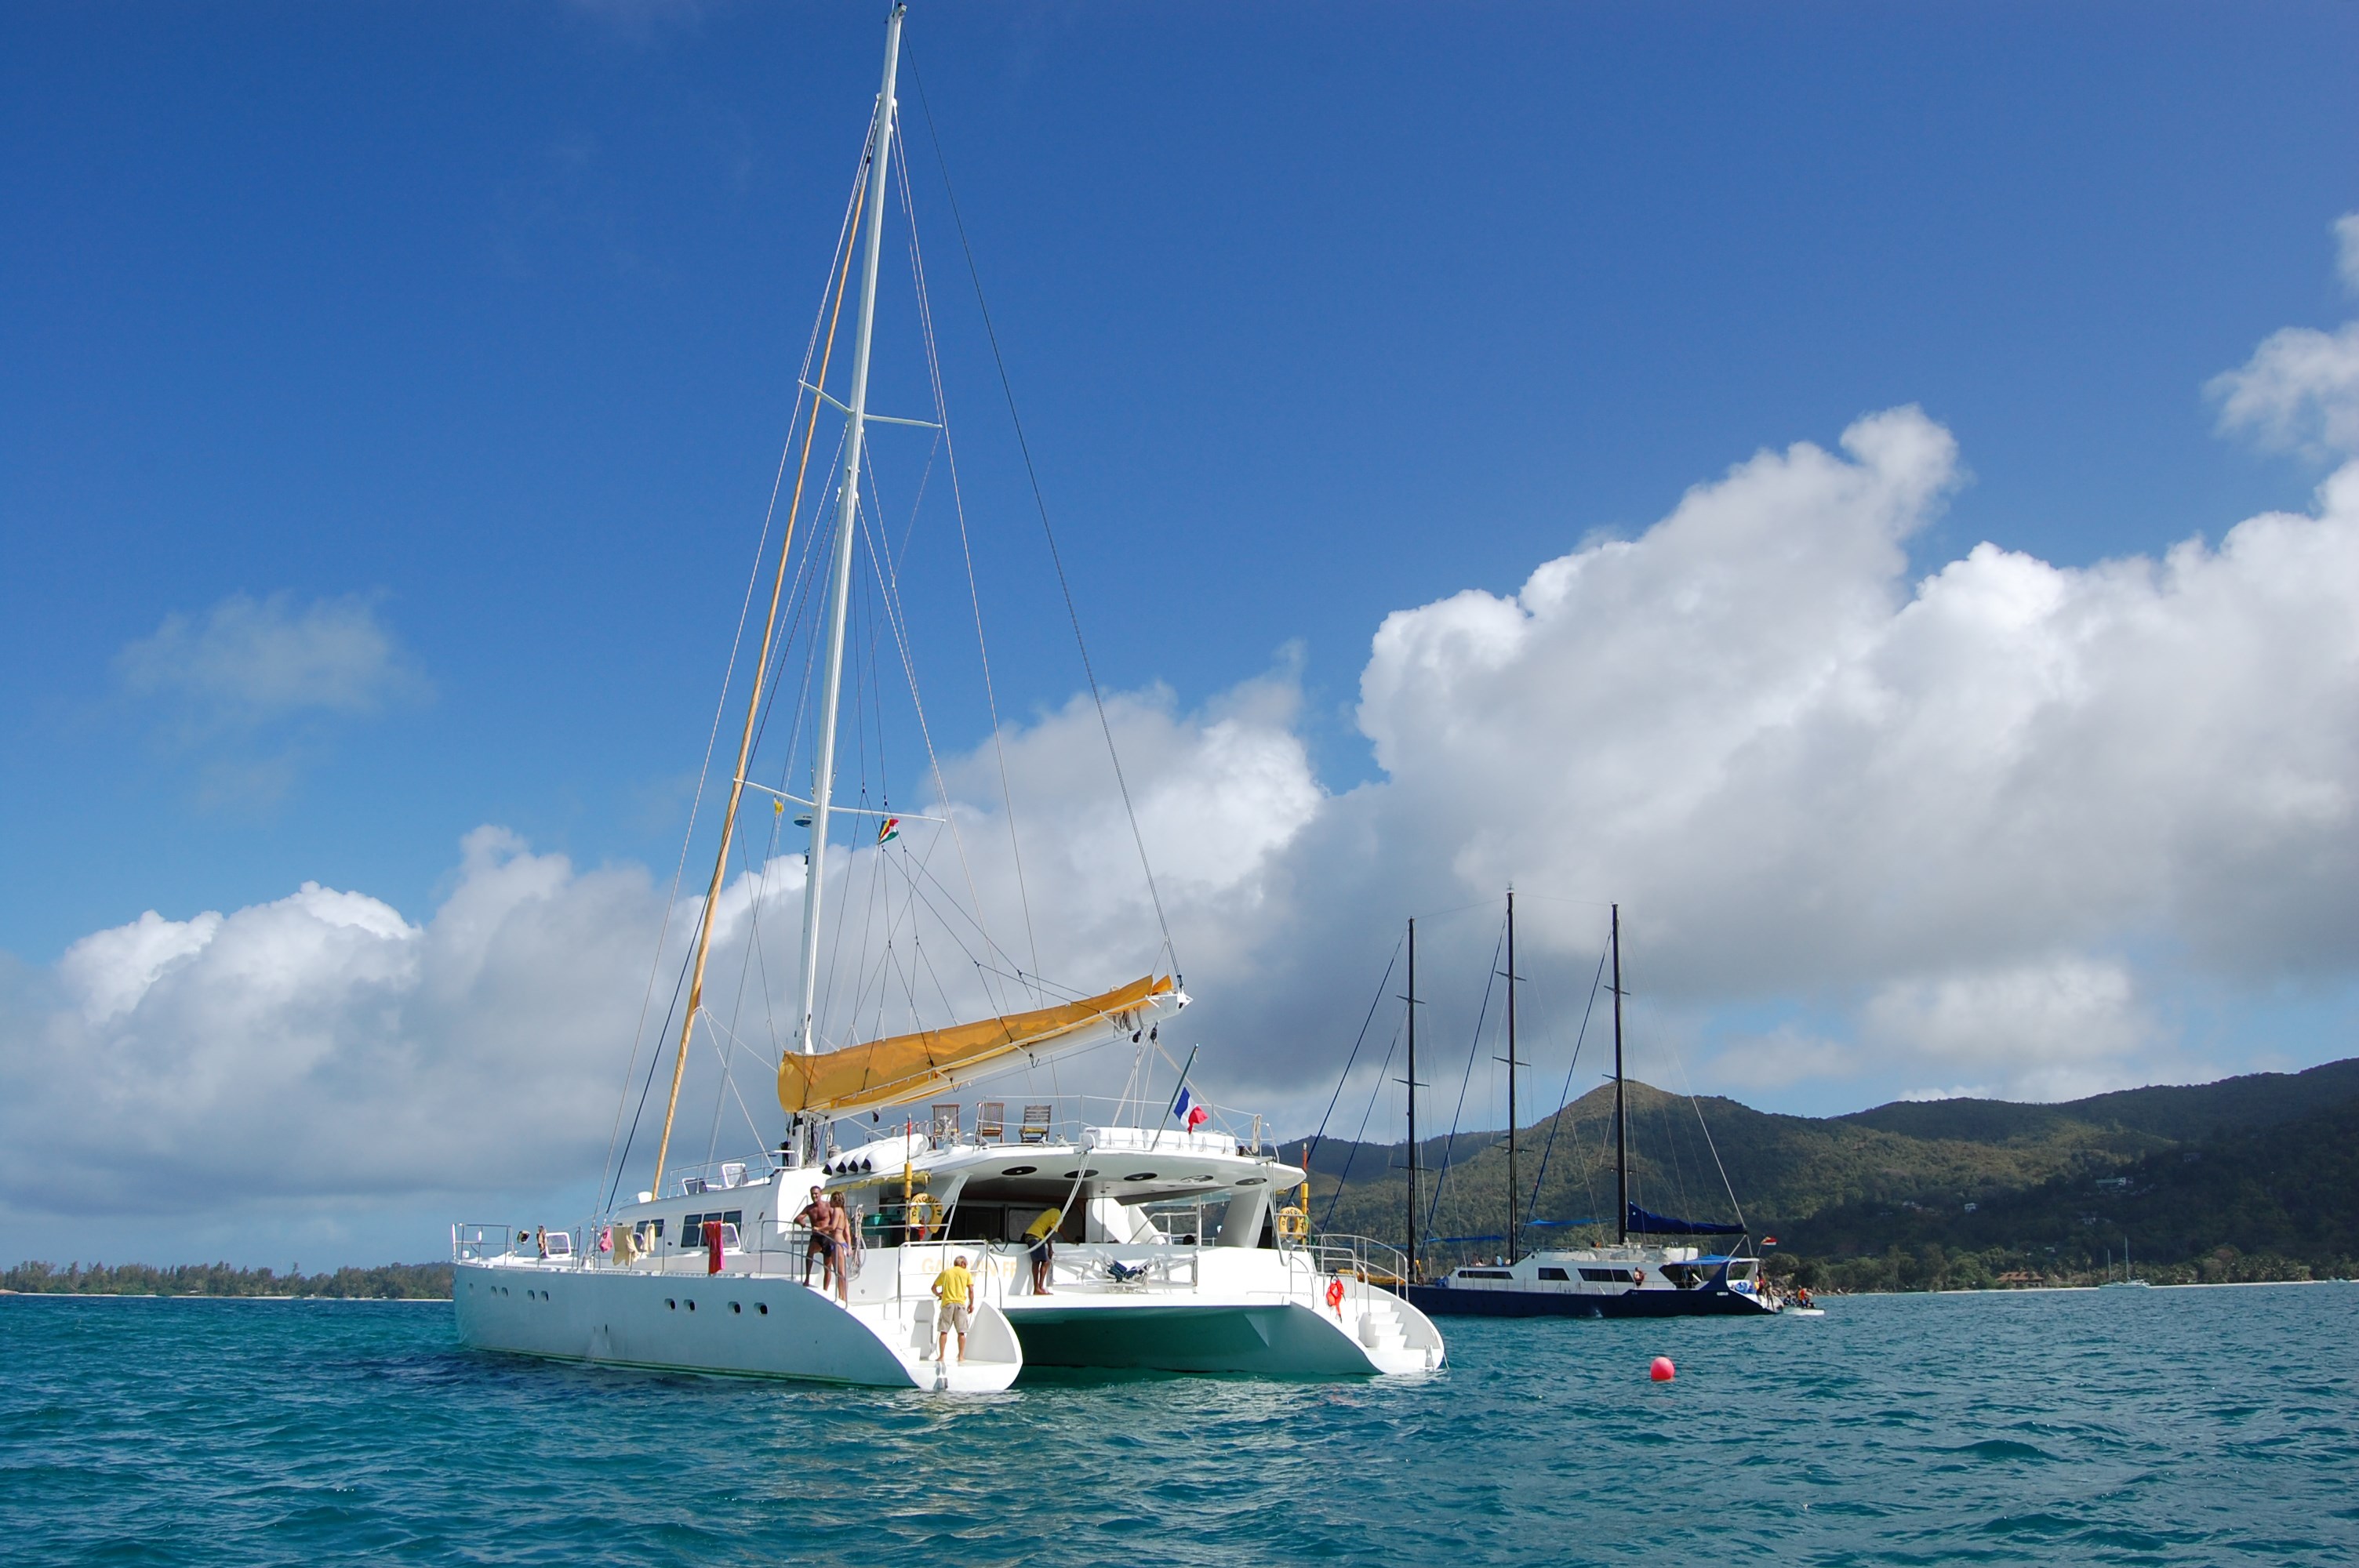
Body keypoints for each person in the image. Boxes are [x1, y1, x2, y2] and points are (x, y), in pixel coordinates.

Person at [932, 1253, 975, 1363]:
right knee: (961, 1332)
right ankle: (961, 1356)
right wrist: (971, 1304)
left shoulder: (946, 1272)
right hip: (960, 1305)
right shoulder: (966, 1274)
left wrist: (939, 1295)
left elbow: (934, 1287)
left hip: (947, 1304)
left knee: (944, 1331)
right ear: (964, 1263)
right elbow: (971, 1290)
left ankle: (941, 1356)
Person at [795, 1185, 836, 1290]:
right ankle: (807, 1278)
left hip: (827, 1237)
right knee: (810, 1252)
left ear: (820, 1193)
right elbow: (798, 1218)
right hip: (816, 1238)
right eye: (812, 1194)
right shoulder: (809, 1208)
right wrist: (801, 1222)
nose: (814, 1196)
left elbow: (834, 1222)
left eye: (816, 1193)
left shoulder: (828, 1206)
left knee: (827, 1265)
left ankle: (825, 1289)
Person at [1023, 1207, 1062, 1295]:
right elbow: (1049, 1233)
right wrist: (1050, 1249)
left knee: (1041, 1261)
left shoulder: (1053, 1211)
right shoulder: (1059, 1216)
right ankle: (1038, 1288)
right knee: (1044, 1262)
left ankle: (1039, 1288)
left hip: (1032, 1235)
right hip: (1036, 1236)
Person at [827, 1193, 856, 1305]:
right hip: (843, 1243)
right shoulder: (844, 1214)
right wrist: (849, 1246)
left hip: (837, 1244)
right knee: (841, 1272)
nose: (830, 1202)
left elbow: (833, 1227)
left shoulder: (837, 1210)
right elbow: (847, 1233)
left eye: (831, 1200)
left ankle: (842, 1297)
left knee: (840, 1273)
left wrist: (819, 1229)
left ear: (835, 1201)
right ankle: (843, 1296)